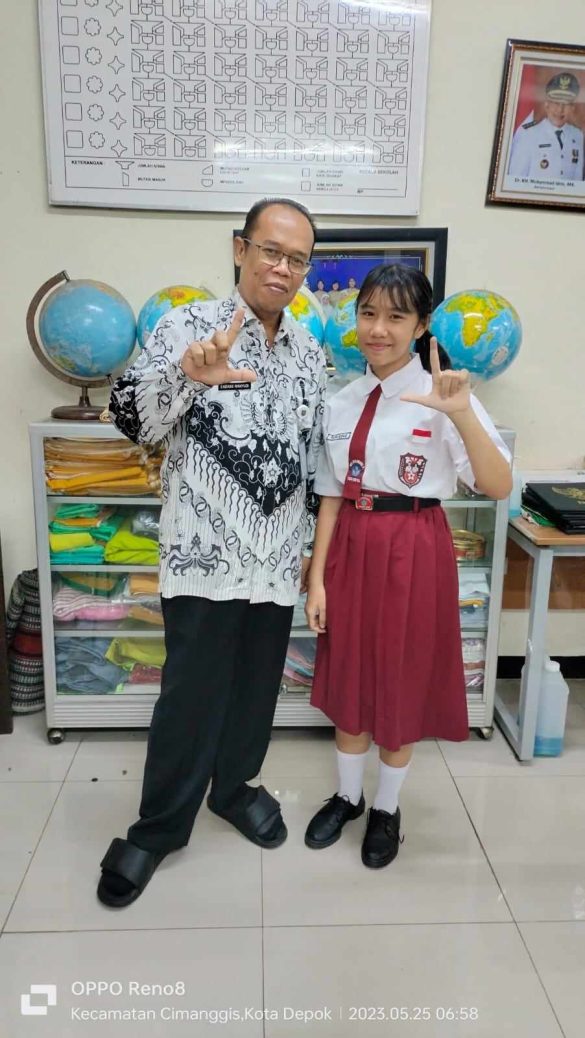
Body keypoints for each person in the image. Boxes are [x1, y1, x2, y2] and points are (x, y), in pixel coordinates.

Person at [97, 198, 327, 907]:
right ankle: (157, 829)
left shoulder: (309, 353)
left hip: (275, 561)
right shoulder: (186, 326)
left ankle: (233, 789)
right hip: (204, 558)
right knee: (189, 698)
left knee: (257, 691)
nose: (281, 268)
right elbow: (131, 420)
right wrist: (187, 377)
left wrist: (309, 553)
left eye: (296, 259)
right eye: (270, 250)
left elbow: (309, 459)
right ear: (239, 248)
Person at [303, 264, 512, 869]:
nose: (378, 329)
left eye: (396, 317)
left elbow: (498, 485)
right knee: (348, 673)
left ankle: (386, 808)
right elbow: (331, 493)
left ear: (421, 327)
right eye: (368, 313)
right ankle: (347, 797)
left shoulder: (446, 397)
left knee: (400, 676)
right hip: (352, 543)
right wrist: (317, 580)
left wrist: (462, 413)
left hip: (414, 547)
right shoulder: (341, 401)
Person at [508, 72, 584, 180]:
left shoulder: (577, 135)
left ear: (572, 107)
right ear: (546, 104)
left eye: (566, 104)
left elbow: (577, 181)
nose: (560, 110)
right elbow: (515, 180)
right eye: (556, 102)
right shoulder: (528, 135)